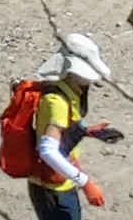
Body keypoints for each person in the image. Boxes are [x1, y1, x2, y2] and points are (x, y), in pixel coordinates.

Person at [11, 33, 122, 220]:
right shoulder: (57, 103)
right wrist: (86, 183)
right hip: (53, 191)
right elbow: (48, 150)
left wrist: (85, 131)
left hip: (58, 184)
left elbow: (59, 127)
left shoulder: (66, 92)